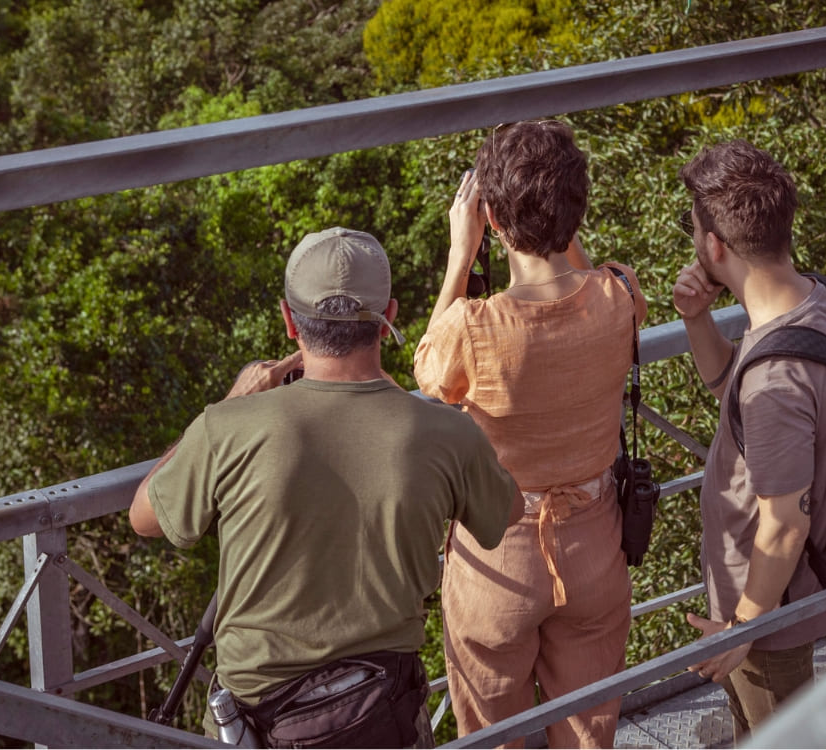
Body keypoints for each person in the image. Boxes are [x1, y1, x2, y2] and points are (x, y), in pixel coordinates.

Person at [128, 226, 523, 747]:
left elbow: (144, 518)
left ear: (290, 321)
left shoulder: (228, 428)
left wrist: (229, 405)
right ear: (390, 321)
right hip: (385, 715)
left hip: (254, 723)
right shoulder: (447, 433)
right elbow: (507, 513)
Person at [414, 120, 647, 748]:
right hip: (596, 548)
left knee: (494, 738)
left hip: (497, 558)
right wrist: (562, 229)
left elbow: (428, 367)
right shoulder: (621, 295)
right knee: (589, 735)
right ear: (578, 212)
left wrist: (461, 256)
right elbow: (586, 276)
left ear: (489, 218)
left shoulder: (475, 328)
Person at [672, 139, 826, 742]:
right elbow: (737, 394)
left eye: (697, 231)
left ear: (714, 245)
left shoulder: (775, 381)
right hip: (767, 601)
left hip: (766, 611)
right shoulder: (813, 301)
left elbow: (784, 523)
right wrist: (697, 319)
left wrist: (741, 628)